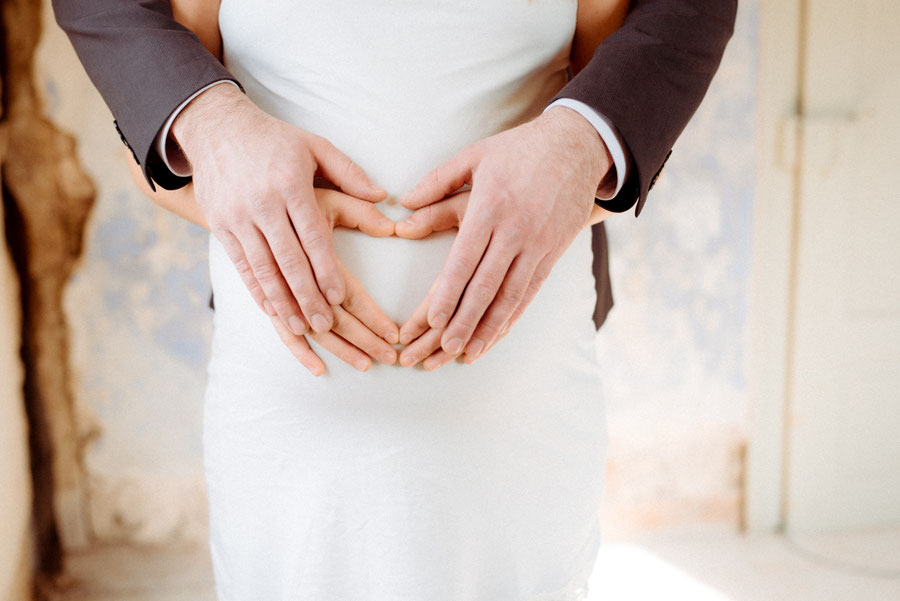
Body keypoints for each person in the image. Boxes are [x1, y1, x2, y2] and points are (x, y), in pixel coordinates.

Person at [53, 0, 737, 599]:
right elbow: (146, 105)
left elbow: (656, 32)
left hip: (521, 430)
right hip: (283, 437)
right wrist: (207, 121)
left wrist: (581, 140)